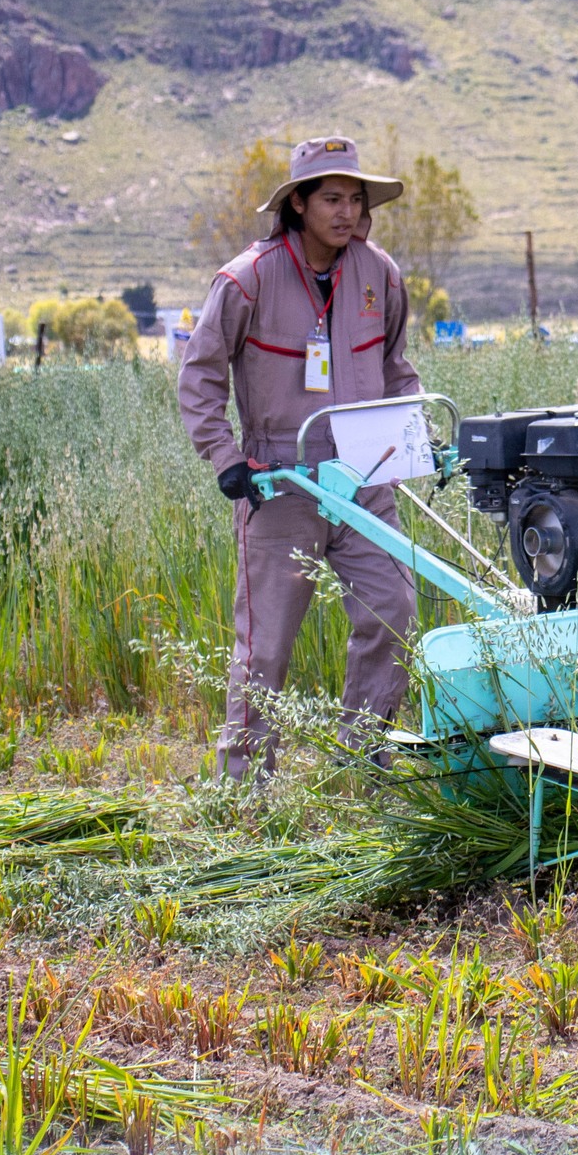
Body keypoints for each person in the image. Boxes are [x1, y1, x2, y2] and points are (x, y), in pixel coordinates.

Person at [178, 135, 421, 779]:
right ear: (298, 205)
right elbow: (200, 376)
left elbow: (398, 369)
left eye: (356, 200)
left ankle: (360, 763)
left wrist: (413, 439)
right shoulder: (247, 279)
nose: (346, 212)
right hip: (281, 482)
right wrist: (225, 455)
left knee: (393, 611)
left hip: (367, 476)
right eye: (331, 199)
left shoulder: (380, 274)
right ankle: (243, 789)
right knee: (268, 646)